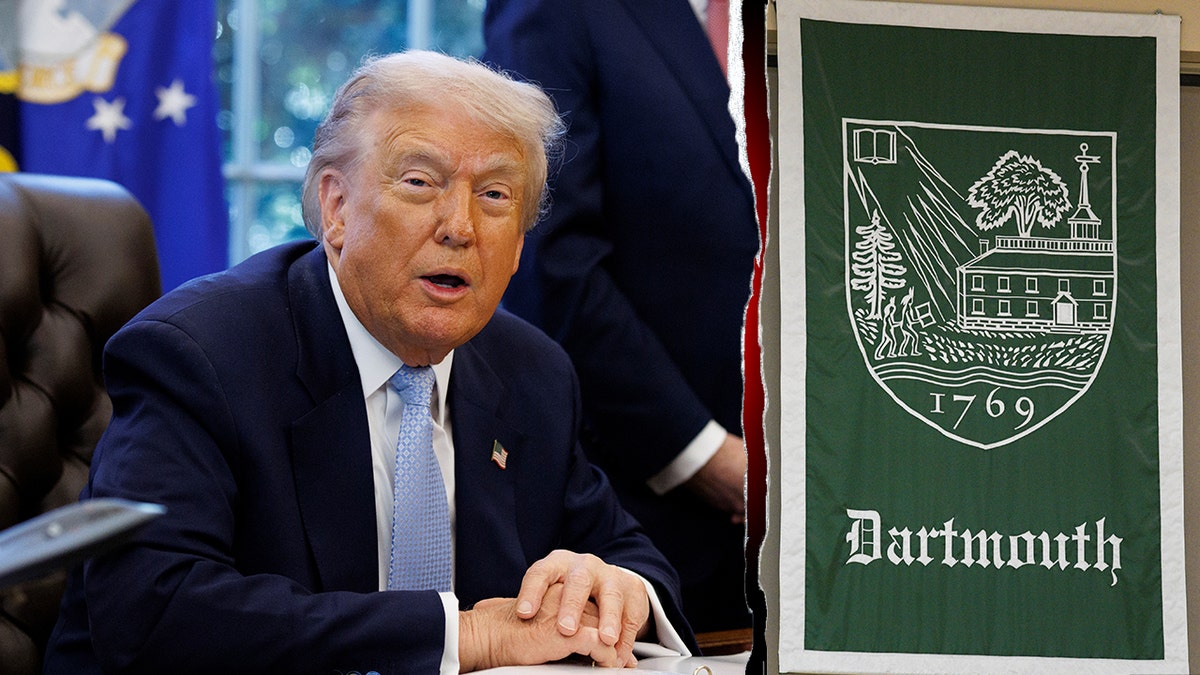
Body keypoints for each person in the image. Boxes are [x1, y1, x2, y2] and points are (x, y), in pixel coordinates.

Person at [43, 50, 697, 673]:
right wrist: (462, 634)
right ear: (335, 207)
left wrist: (621, 591)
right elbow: (153, 610)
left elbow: (625, 552)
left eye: (496, 196)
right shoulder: (201, 355)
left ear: (521, 244)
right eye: (420, 182)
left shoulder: (533, 372)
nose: (460, 226)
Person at [483, 0, 758, 632]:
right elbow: (550, 263)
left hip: (840, 526)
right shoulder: (555, 11)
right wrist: (706, 458)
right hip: (644, 525)